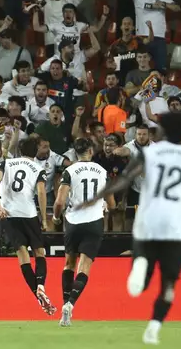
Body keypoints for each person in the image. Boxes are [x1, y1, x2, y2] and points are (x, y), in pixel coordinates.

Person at [76, 112, 181, 345]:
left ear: (163, 131)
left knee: (141, 280)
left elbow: (123, 181)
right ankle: (154, 327)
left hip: (148, 220)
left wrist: (94, 199)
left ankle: (141, 263)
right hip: (176, 226)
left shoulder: (148, 153)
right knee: (168, 285)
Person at [53, 138, 114, 326]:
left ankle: (64, 305)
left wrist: (56, 218)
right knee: (84, 266)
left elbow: (60, 202)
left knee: (69, 264)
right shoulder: (102, 171)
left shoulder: (69, 171)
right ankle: (70, 304)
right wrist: (105, 205)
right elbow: (112, 203)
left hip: (73, 222)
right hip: (94, 222)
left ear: (75, 152)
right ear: (91, 150)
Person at [0, 137, 56, 316]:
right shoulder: (38, 168)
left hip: (9, 215)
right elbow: (42, 192)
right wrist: (44, 219)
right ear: (35, 151)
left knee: (22, 255)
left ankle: (38, 295)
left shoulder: (7, 163)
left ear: (19, 151)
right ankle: (41, 285)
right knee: (39, 253)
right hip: (28, 213)